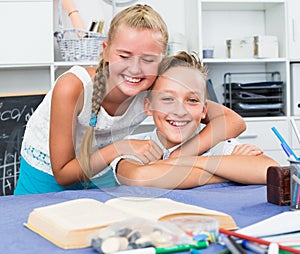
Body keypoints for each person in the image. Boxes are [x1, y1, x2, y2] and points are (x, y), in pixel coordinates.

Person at [14, 4, 246, 195]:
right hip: (45, 174)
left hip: (101, 171)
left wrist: (180, 155)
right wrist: (122, 147)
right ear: (105, 51)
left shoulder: (155, 85)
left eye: (148, 59)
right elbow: (64, 174)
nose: (135, 69)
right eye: (124, 56)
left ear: (161, 60)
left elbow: (233, 121)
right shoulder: (73, 87)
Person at [112, 51, 279, 189]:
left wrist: (183, 161)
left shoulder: (217, 144)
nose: (180, 111)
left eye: (192, 100)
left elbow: (270, 170)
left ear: (204, 110)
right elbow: (140, 177)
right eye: (168, 99)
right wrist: (230, 173)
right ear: (148, 106)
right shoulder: (136, 147)